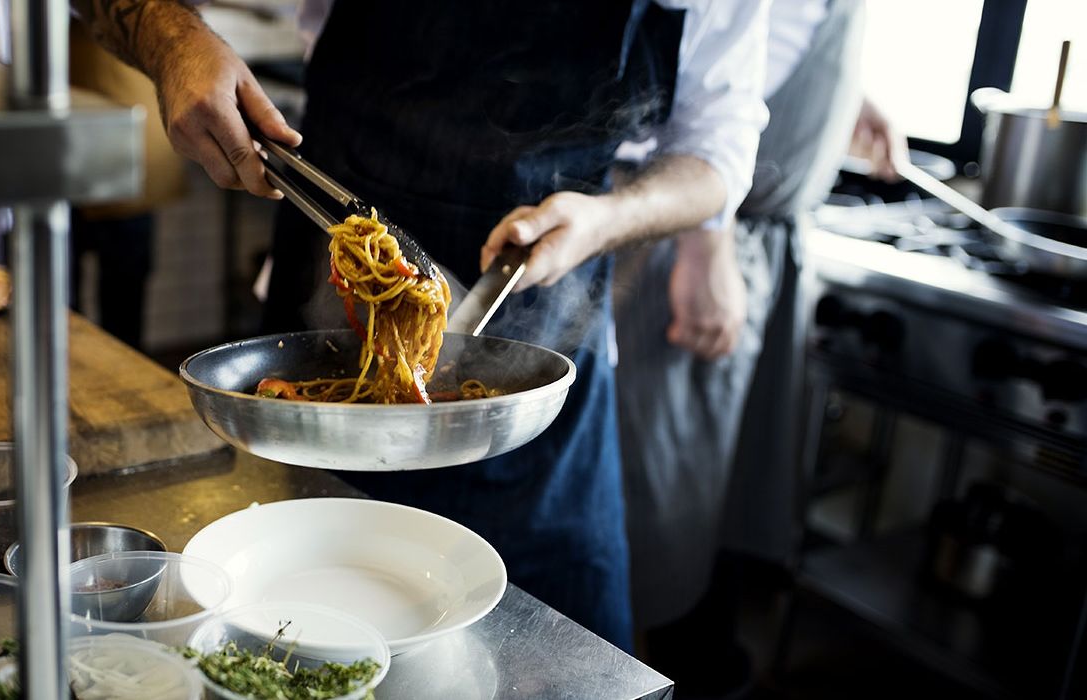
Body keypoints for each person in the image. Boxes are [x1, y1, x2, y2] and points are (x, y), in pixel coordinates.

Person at [76, 0, 771, 649]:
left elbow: (717, 149)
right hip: (324, 321)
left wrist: (606, 219)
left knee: (571, 653)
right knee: (295, 638)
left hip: (543, 338)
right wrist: (174, 43)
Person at [616, 0, 905, 693]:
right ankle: (660, 676)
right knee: (668, 513)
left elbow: (768, 51)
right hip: (698, 248)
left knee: (726, 502)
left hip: (761, 249)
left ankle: (706, 667)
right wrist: (704, 245)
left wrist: (849, 97)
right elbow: (693, 88)